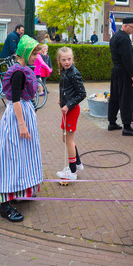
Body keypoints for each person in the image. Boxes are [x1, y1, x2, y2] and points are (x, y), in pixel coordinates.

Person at [0, 35, 43, 222]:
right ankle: (5, 206)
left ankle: (20, 190)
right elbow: (15, 100)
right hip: (17, 117)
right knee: (10, 157)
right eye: (34, 52)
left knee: (22, 155)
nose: (36, 56)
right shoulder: (19, 73)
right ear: (25, 51)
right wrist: (22, 125)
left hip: (23, 114)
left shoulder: (23, 70)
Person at [56, 47, 87, 180]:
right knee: (66, 139)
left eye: (69, 59)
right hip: (66, 109)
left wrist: (68, 105)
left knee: (69, 140)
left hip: (72, 110)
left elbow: (82, 94)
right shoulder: (64, 71)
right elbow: (66, 88)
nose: (67, 62)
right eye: (64, 60)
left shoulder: (74, 73)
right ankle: (78, 163)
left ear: (73, 59)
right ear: (59, 61)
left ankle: (72, 171)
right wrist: (62, 99)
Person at [108, 17, 133, 136]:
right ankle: (126, 126)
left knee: (114, 97)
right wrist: (132, 76)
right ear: (125, 26)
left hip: (116, 70)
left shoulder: (115, 37)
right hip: (124, 72)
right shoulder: (124, 39)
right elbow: (127, 59)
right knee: (126, 98)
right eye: (132, 27)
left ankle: (112, 122)